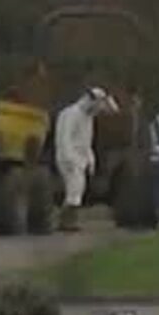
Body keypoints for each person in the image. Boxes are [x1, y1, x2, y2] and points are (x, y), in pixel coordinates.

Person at [55, 87, 119, 232]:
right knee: (74, 189)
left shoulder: (88, 118)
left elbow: (86, 142)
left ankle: (69, 221)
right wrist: (69, 158)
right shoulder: (70, 114)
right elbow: (64, 138)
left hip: (80, 160)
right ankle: (65, 221)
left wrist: (90, 159)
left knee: (78, 190)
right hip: (69, 158)